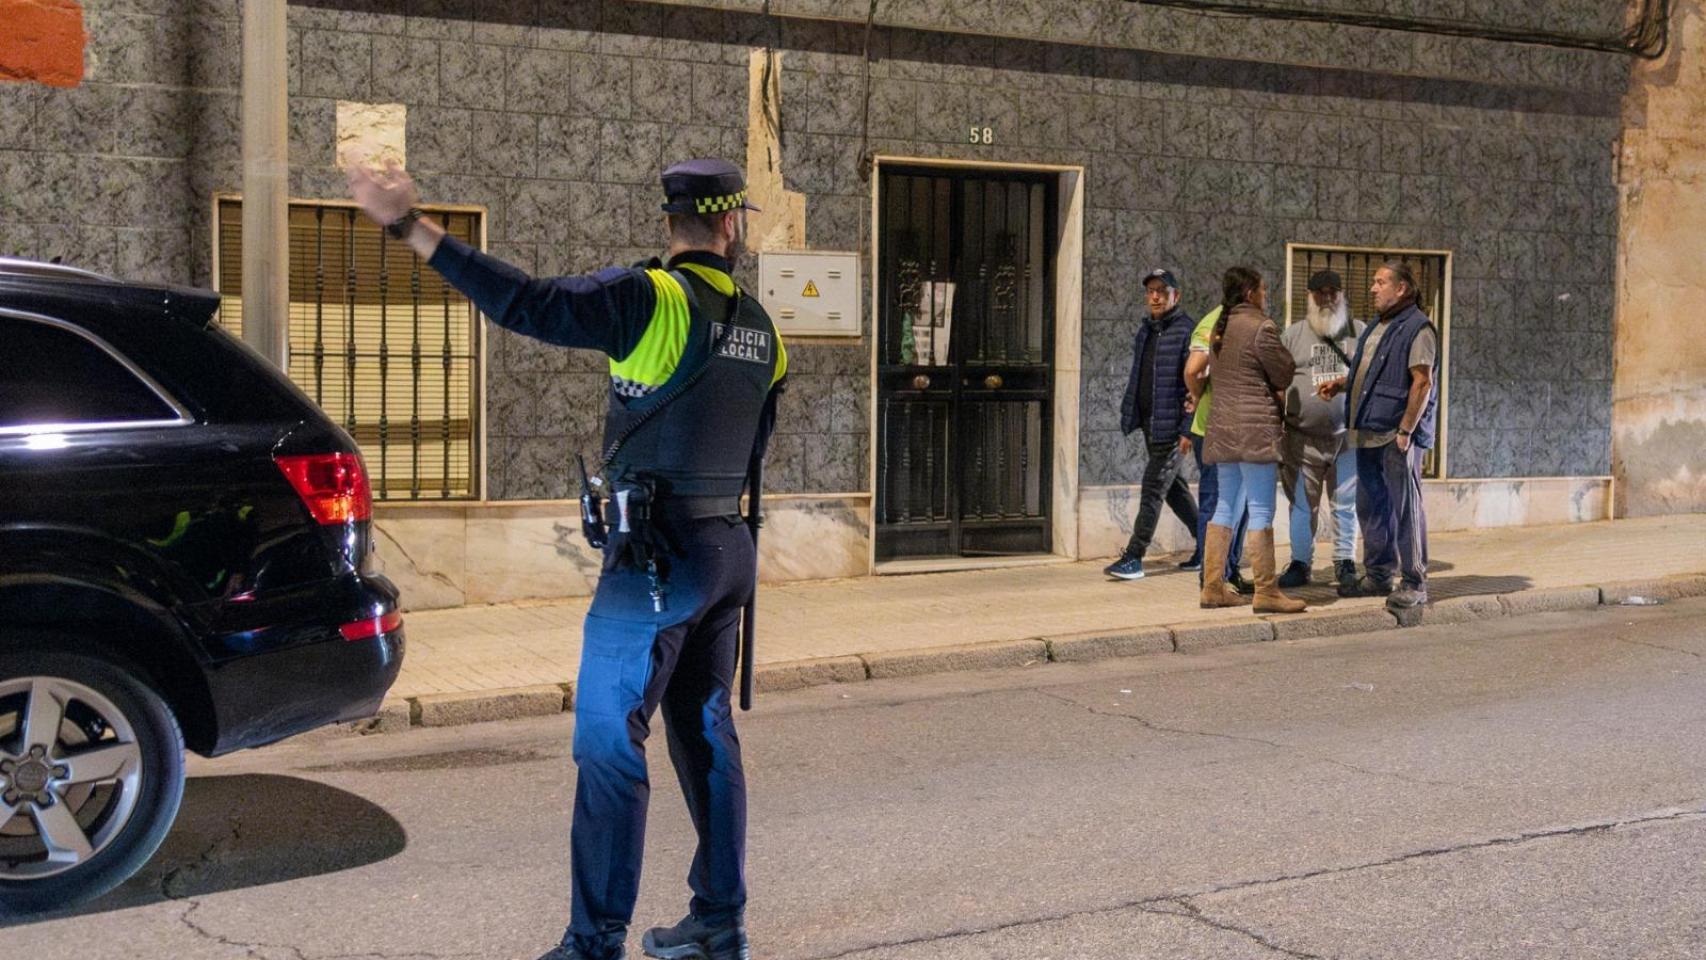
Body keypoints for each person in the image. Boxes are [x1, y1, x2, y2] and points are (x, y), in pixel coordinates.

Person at [350, 157, 785, 960]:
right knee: (705, 728)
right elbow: (755, 448)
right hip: (728, 553)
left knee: (608, 743)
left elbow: (525, 301)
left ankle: (595, 942)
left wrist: (410, 224)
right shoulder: (765, 329)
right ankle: (719, 920)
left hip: (653, 564)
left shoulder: (648, 298)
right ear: (732, 225)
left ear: (674, 224)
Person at [1317, 261, 1438, 609]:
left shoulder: (1418, 328)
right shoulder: (1379, 326)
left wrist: (1406, 430)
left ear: (1401, 289)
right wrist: (1341, 383)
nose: (1373, 288)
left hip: (1395, 435)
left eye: (1380, 282)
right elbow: (1368, 372)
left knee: (1405, 509)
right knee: (1371, 507)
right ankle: (1379, 576)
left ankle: (1414, 582)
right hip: (1368, 430)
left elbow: (1423, 381)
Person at [1200, 266, 1306, 614]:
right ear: (1249, 293)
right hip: (1255, 429)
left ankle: (1213, 585)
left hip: (1223, 428)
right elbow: (1284, 372)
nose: (1265, 295)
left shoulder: (1220, 326)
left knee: (1224, 504)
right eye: (1262, 289)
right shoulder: (1261, 326)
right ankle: (1266, 591)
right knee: (1261, 507)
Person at [1105, 268, 1198, 580]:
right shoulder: (1146, 330)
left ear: (1176, 295)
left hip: (1172, 428)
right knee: (1173, 490)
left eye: (1162, 290)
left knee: (1153, 488)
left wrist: (1188, 428)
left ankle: (1134, 556)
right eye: (1151, 291)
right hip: (1150, 423)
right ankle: (1210, 545)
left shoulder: (1187, 331)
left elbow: (1196, 385)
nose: (1155, 296)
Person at [1277, 270, 1363, 591]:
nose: (1326, 299)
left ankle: (1345, 563)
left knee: (1345, 504)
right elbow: (1277, 384)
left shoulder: (1360, 334)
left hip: (1347, 439)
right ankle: (1300, 563)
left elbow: (1371, 379)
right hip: (1301, 440)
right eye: (1319, 293)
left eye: (1332, 292)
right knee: (1302, 504)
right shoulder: (1292, 336)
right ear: (1308, 297)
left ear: (1342, 295)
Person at [1183, 306, 1254, 595]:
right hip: (1218, 430)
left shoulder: (1233, 323)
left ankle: (1229, 570)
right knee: (1219, 504)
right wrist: (1199, 394)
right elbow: (1192, 369)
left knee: (1241, 504)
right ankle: (1213, 577)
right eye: (1261, 292)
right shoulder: (1215, 323)